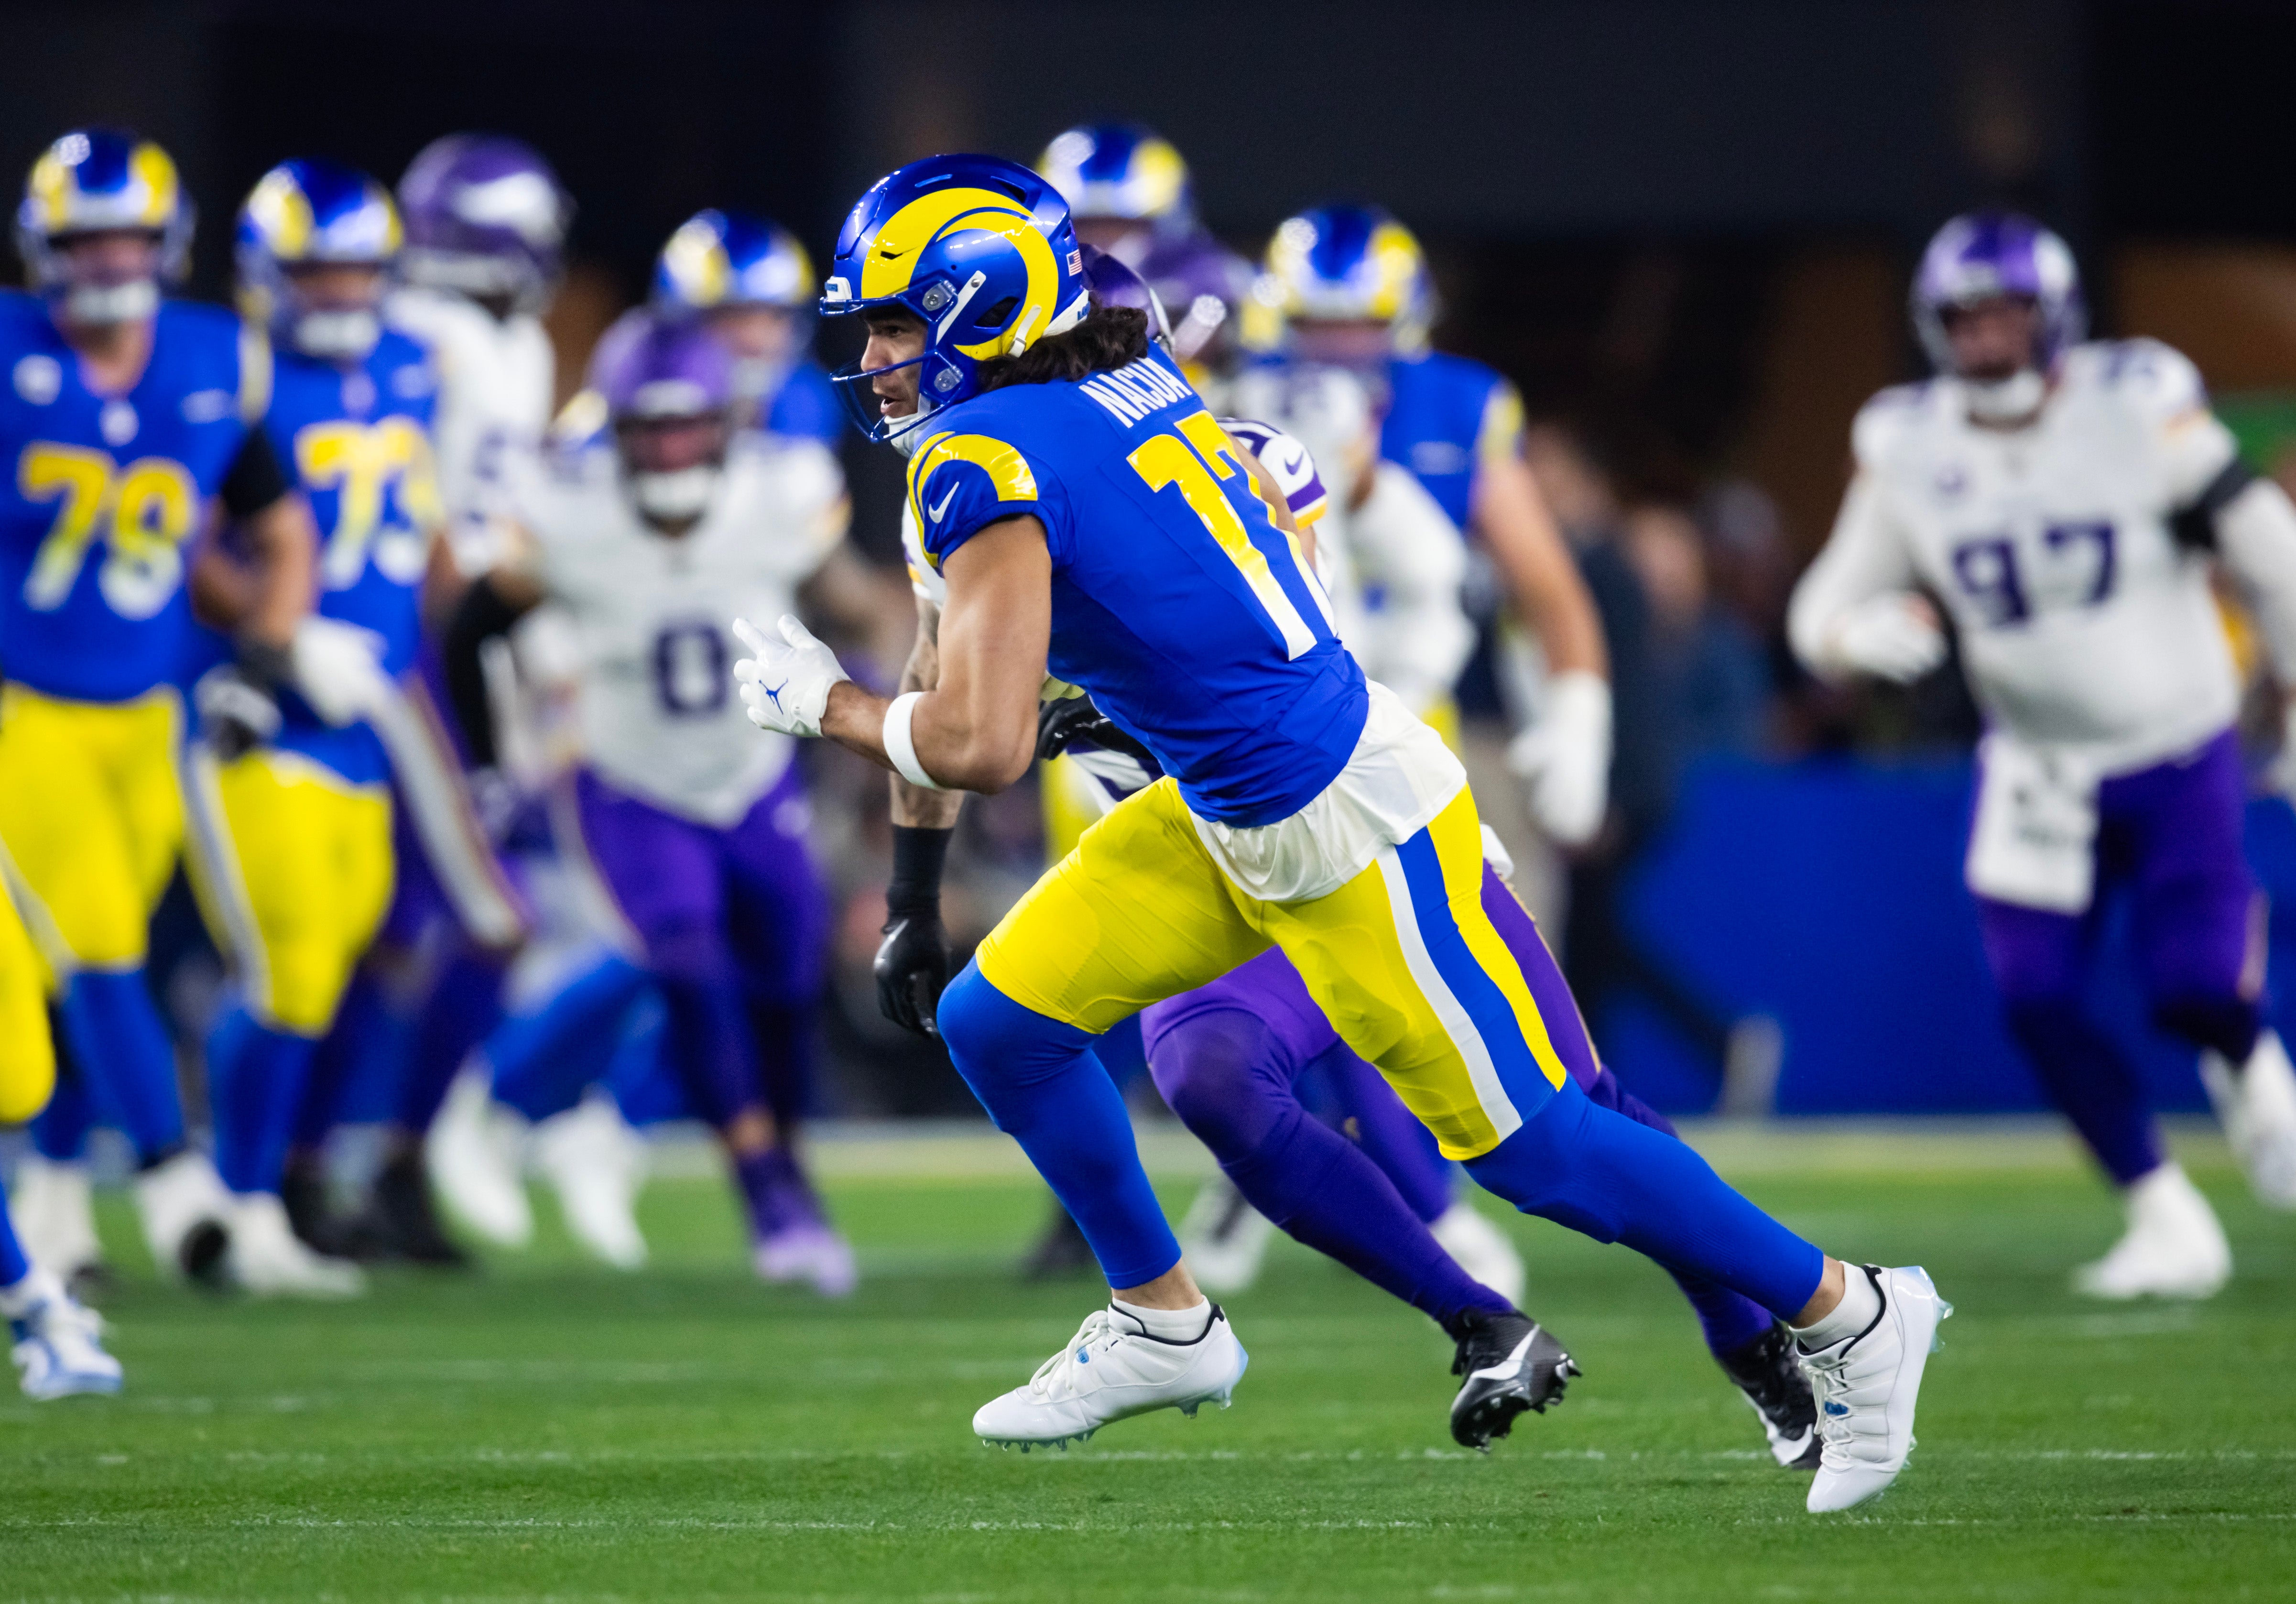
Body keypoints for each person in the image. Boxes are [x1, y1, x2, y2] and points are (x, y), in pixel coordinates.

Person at [737, 153, 1944, 1512]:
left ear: (984, 307)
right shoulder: (1109, 376)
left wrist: (818, 703)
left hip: (1339, 815)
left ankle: (1850, 1309)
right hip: (1222, 801)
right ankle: (1163, 1320)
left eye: (896, 324)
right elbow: (998, 650)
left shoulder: (984, 460)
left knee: (1543, 1146)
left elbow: (980, 741)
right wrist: (916, 883)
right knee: (999, 1021)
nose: (877, 360)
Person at [1790, 212, 2296, 1298]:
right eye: (1965, 317)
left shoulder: (2136, 402)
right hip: (2034, 763)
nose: (1985, 336)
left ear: (2055, 315)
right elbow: (1824, 599)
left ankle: (2247, 1054)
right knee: (2035, 998)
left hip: (2174, 743)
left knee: (2193, 986)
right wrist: (1846, 637)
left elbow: (2266, 542)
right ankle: (2163, 1214)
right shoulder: (1908, 442)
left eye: (2007, 313)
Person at [442, 315, 857, 1293]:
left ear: (725, 425)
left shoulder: (782, 492)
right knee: (688, 963)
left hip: (754, 775)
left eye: (686, 427)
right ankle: (765, 1193)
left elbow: (851, 600)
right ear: (616, 432)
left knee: (786, 988)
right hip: (632, 784)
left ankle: (782, 1166)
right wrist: (489, 766)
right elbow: (471, 630)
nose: (669, 451)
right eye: (648, 429)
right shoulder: (569, 515)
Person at [180, 158, 522, 1294]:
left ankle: (280, 1185)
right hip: (258, 704)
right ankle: (228, 1195)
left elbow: (423, 531)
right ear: (267, 274)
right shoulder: (236, 371)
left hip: (373, 705)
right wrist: (275, 635)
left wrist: (477, 645)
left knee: (345, 951)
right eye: (314, 271)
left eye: (356, 270)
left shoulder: (412, 363)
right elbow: (179, 532)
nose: (337, 292)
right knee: (278, 960)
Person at [0, 128, 332, 1288]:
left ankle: (53, 1205)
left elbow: (283, 529)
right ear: (45, 250)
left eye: (128, 239)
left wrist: (268, 653)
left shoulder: (210, 359)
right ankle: (173, 1182)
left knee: (80, 969)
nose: (107, 263)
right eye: (85, 241)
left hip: (146, 712)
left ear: (167, 244)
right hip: (21, 706)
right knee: (98, 942)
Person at [301, 132, 570, 1262]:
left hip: (469, 650)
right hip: (418, 648)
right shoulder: (426, 338)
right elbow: (431, 529)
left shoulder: (508, 341)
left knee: (393, 929)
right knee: (483, 921)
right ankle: (365, 1164)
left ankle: (327, 1169)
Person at [1250, 203, 1611, 930]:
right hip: (1276, 712)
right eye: (1318, 323)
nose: (1340, 345)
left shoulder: (1456, 402)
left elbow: (1545, 584)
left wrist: (1578, 718)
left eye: (1362, 323)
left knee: (1494, 937)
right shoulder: (1237, 394)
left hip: (1424, 703)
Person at [651, 208, 841, 446]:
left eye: (776, 317)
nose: (756, 340)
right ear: (680, 326)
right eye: (733, 318)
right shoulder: (630, 405)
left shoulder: (804, 402)